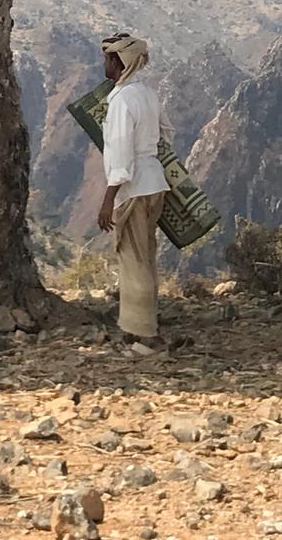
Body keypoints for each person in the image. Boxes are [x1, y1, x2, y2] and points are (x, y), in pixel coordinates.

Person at [96, 31, 167, 353]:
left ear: (119, 61)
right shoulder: (146, 94)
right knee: (145, 257)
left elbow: (122, 152)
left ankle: (146, 338)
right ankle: (135, 327)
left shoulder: (123, 99)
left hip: (134, 186)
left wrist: (108, 199)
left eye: (109, 59)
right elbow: (166, 133)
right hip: (154, 181)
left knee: (134, 261)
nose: (105, 65)